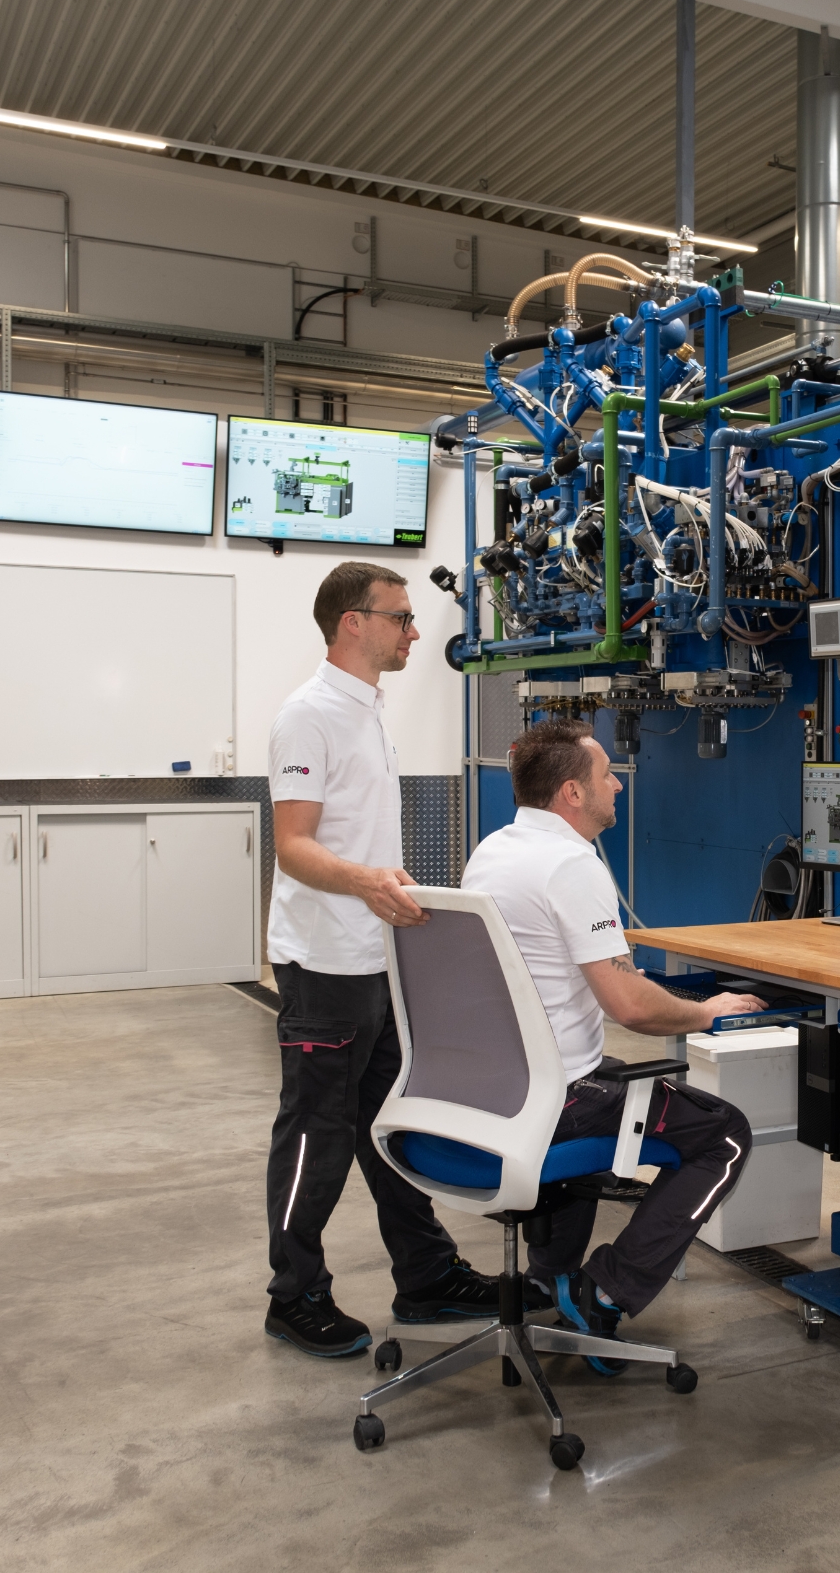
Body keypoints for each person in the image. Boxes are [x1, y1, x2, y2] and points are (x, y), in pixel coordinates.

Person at [264, 561, 518, 1358]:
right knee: (317, 1132)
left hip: (377, 961)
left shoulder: (369, 711)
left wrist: (385, 882)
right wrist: (365, 881)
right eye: (401, 617)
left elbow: (351, 841)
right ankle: (294, 1293)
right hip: (324, 964)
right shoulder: (309, 716)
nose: (414, 632)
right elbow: (294, 849)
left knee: (390, 1125)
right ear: (352, 622)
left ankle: (427, 1274)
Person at [460, 718, 765, 1371]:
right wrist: (707, 1012)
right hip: (552, 1102)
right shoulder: (571, 865)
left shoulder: (494, 851)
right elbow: (628, 1003)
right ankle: (603, 1293)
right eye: (606, 775)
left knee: (613, 1076)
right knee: (725, 1133)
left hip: (485, 1093)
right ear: (572, 793)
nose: (619, 785)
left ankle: (550, 1282)